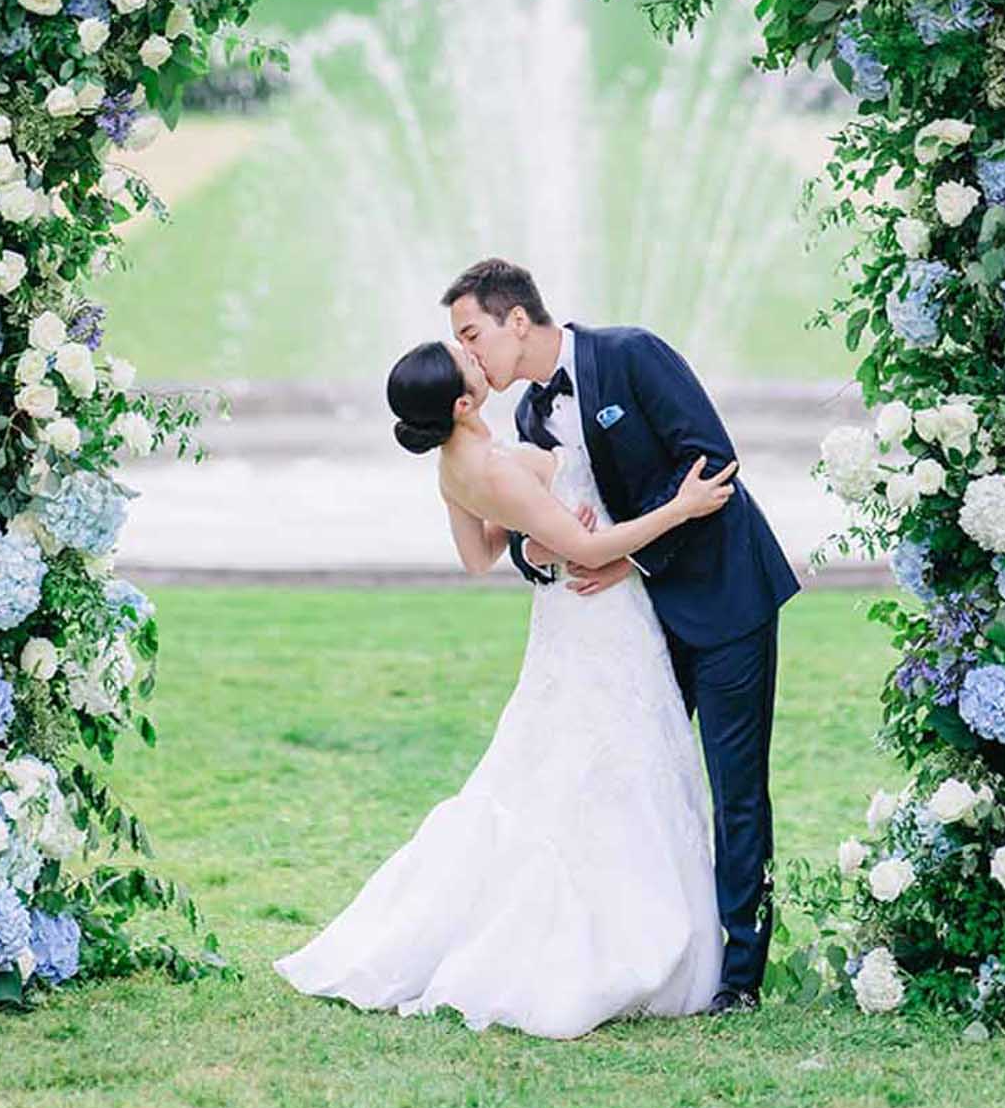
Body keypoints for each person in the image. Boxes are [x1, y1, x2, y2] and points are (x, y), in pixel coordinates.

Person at [273, 329, 737, 1038]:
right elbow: (584, 550)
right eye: (467, 361)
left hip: (558, 620)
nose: (480, 360)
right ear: (462, 402)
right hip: (594, 615)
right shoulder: (486, 463)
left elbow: (477, 554)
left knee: (561, 766)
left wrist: (531, 537)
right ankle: (610, 940)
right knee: (612, 764)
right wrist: (679, 510)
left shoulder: (454, 465)